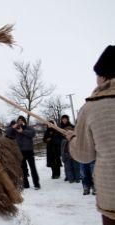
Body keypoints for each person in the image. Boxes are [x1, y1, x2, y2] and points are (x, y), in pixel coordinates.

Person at [67, 45, 115, 225]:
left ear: (103, 76)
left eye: (97, 75)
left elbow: (84, 155)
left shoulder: (92, 107)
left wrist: (72, 138)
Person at [6, 116, 40, 189]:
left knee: (33, 168)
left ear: (24, 121)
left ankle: (36, 184)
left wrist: (22, 131)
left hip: (29, 151)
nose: (20, 122)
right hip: (20, 152)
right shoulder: (15, 129)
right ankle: (26, 184)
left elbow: (33, 133)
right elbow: (7, 133)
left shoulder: (28, 128)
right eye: (19, 120)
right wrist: (13, 127)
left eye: (22, 120)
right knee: (23, 169)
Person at [60, 115, 80, 183]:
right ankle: (70, 178)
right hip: (66, 154)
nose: (64, 120)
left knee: (76, 166)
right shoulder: (63, 141)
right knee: (68, 167)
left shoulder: (74, 138)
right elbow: (62, 149)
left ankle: (77, 177)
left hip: (74, 153)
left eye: (66, 119)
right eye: (63, 119)